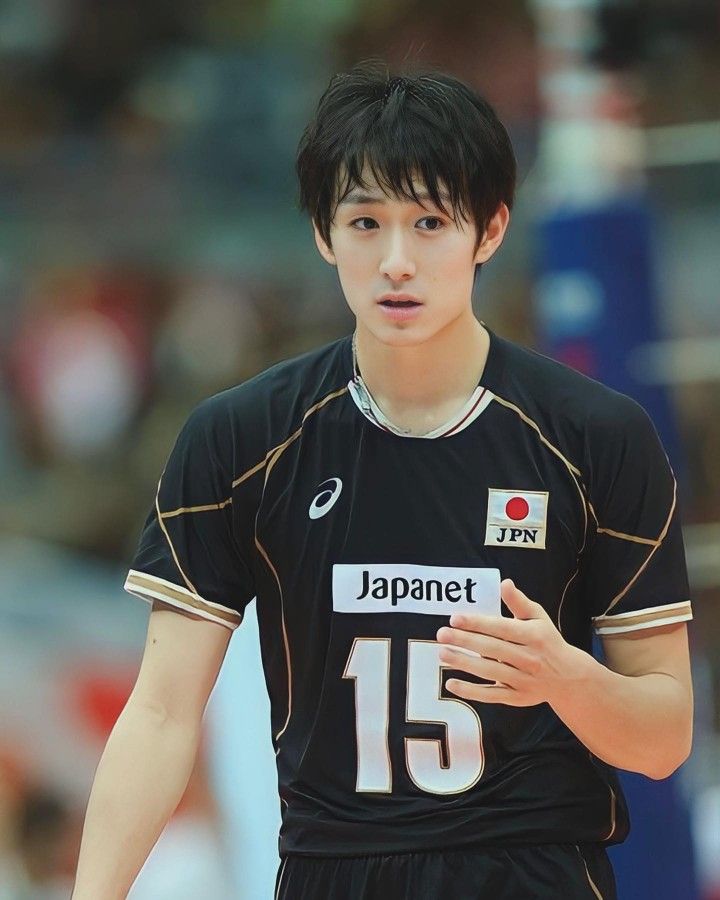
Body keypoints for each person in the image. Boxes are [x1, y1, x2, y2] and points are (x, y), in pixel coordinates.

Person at [71, 62, 694, 900]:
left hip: (536, 871)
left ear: (492, 228)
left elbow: (664, 738)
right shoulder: (240, 438)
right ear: (325, 235)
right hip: (335, 873)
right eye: (365, 222)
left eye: (431, 221)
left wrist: (565, 678)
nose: (396, 261)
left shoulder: (596, 437)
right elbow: (159, 713)